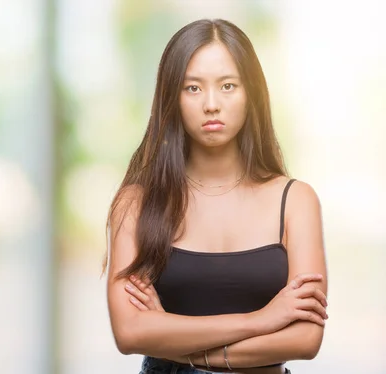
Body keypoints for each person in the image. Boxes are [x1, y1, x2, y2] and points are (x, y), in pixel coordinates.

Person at [103, 19, 328, 374]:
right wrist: (263, 319)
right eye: (192, 88)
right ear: (170, 97)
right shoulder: (136, 204)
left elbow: (305, 339)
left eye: (227, 86)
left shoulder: (296, 200)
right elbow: (130, 332)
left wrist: (175, 341)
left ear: (250, 93)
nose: (211, 104)